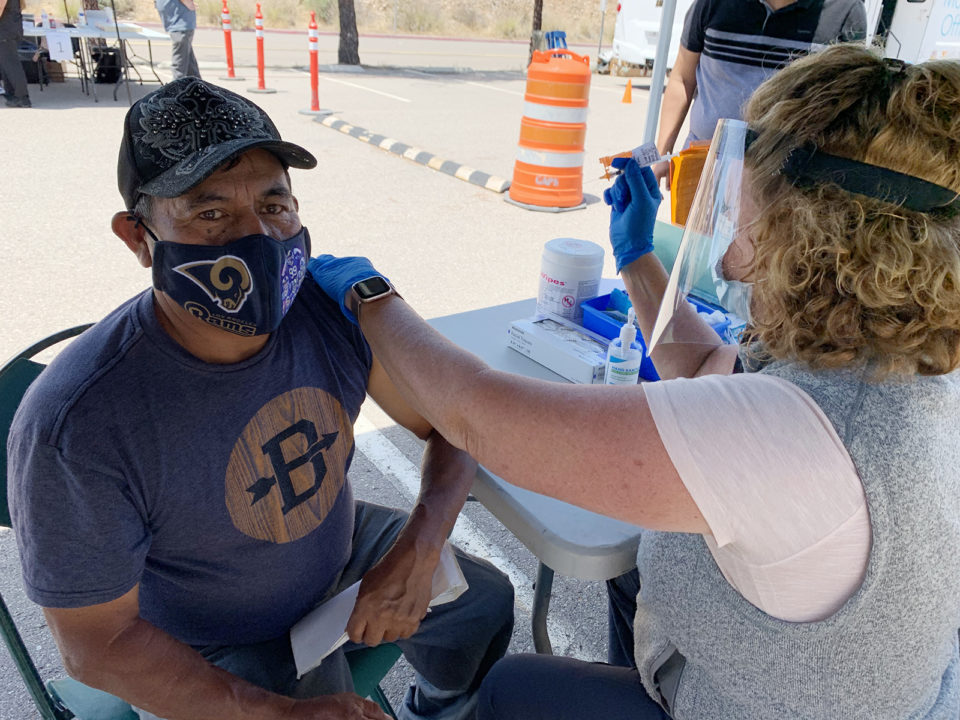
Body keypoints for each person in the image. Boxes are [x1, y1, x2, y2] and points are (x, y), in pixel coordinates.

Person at [306, 45, 960, 719]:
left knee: (511, 690)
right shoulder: (894, 374)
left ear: (810, 221)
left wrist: (368, 296)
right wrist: (636, 257)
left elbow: (481, 416)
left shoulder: (793, 440)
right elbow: (710, 368)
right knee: (629, 580)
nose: (729, 190)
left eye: (744, 170)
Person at [7, 77, 514, 720]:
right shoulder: (79, 425)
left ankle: (437, 703)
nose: (259, 240)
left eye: (275, 206)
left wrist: (419, 551)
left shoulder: (332, 311)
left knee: (485, 599)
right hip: (209, 641)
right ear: (139, 239)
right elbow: (97, 644)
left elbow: (454, 423)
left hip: (334, 548)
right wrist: (281, 715)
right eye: (210, 213)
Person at [652, 0, 866, 185]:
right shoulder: (711, 3)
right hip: (702, 167)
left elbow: (849, 109)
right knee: (689, 234)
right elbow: (682, 78)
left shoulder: (845, 11)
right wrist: (663, 153)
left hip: (782, 185)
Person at [155, 0, 199, 79]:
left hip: (180, 23)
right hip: (178, 23)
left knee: (180, 68)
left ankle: (177, 89)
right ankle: (198, 87)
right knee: (189, 64)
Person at [0, 0, 30, 107]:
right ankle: (12, 95)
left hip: (5, 30)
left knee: (11, 65)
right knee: (7, 65)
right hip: (11, 28)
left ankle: (22, 97)